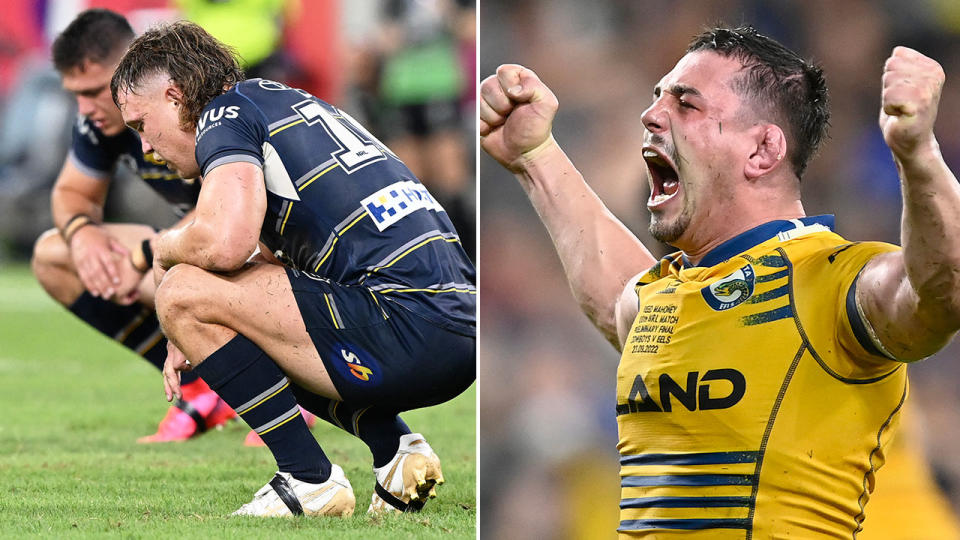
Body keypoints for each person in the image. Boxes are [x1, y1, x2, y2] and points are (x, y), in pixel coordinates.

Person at [480, 25, 960, 537]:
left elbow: (942, 292)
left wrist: (917, 153)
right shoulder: (668, 296)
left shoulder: (833, 279)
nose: (650, 115)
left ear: (762, 151)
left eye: (685, 104)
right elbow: (618, 296)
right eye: (657, 97)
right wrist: (536, 158)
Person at [110, 21, 475, 517]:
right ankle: (395, 451)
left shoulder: (224, 114)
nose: (146, 148)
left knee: (181, 291)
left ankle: (308, 479)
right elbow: (259, 262)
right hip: (460, 327)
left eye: (140, 125)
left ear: (175, 97)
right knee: (228, 300)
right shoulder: (285, 103)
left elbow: (225, 243)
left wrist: (162, 254)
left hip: (408, 326)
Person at [30, 8, 235, 443]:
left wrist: (148, 255)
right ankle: (200, 389)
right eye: (74, 95)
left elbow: (231, 210)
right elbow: (71, 195)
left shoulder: (197, 102)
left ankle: (281, 392)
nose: (85, 109)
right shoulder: (99, 121)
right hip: (194, 243)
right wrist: (83, 235)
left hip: (259, 245)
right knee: (55, 254)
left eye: (92, 91)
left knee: (172, 277)